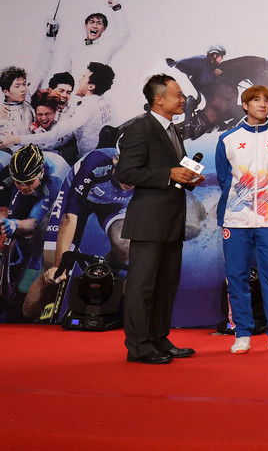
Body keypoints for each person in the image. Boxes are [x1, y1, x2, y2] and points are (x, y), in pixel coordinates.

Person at [116, 74, 204, 365]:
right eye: (178, 96)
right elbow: (125, 173)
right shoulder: (140, 129)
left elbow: (174, 170)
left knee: (166, 285)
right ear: (159, 100)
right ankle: (139, 346)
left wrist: (188, 177)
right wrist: (168, 174)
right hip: (149, 221)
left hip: (172, 221)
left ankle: (159, 338)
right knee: (143, 286)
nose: (183, 100)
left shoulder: (173, 130)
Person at [216, 84, 268, 355]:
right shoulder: (228, 139)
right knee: (236, 277)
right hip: (235, 220)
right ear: (245, 105)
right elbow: (225, 180)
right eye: (256, 100)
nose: (263, 104)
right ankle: (242, 332)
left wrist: (266, 203)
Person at [21, 147, 134, 321]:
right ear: (115, 161)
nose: (130, 181)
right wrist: (59, 265)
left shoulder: (153, 170)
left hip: (113, 203)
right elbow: (69, 217)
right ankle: (28, 320)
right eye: (125, 173)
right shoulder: (95, 164)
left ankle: (98, 282)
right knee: (54, 270)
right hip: (78, 199)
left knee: (125, 247)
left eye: (135, 175)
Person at [2, 62, 115, 161]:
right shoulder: (105, 101)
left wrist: (17, 139)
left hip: (88, 159)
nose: (80, 80)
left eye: (83, 77)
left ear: (91, 86)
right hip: (102, 156)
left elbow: (54, 135)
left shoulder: (84, 109)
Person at [0, 145, 65, 314]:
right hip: (31, 181)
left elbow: (34, 222)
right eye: (18, 183)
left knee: (42, 226)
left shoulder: (53, 180)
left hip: (50, 190)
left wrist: (17, 224)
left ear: (41, 173)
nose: (23, 187)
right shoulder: (9, 173)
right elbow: (3, 208)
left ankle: (35, 261)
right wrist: (6, 223)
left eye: (28, 182)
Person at [60, 0, 129, 80]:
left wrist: (116, 8)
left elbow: (124, 33)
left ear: (104, 29)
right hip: (75, 91)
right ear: (85, 26)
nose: (95, 26)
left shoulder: (107, 45)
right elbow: (64, 76)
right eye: (91, 22)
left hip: (96, 91)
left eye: (99, 23)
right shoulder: (74, 50)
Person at [0, 66, 34, 141]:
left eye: (24, 84)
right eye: (17, 86)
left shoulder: (28, 106)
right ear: (6, 92)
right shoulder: (3, 113)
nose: (23, 89)